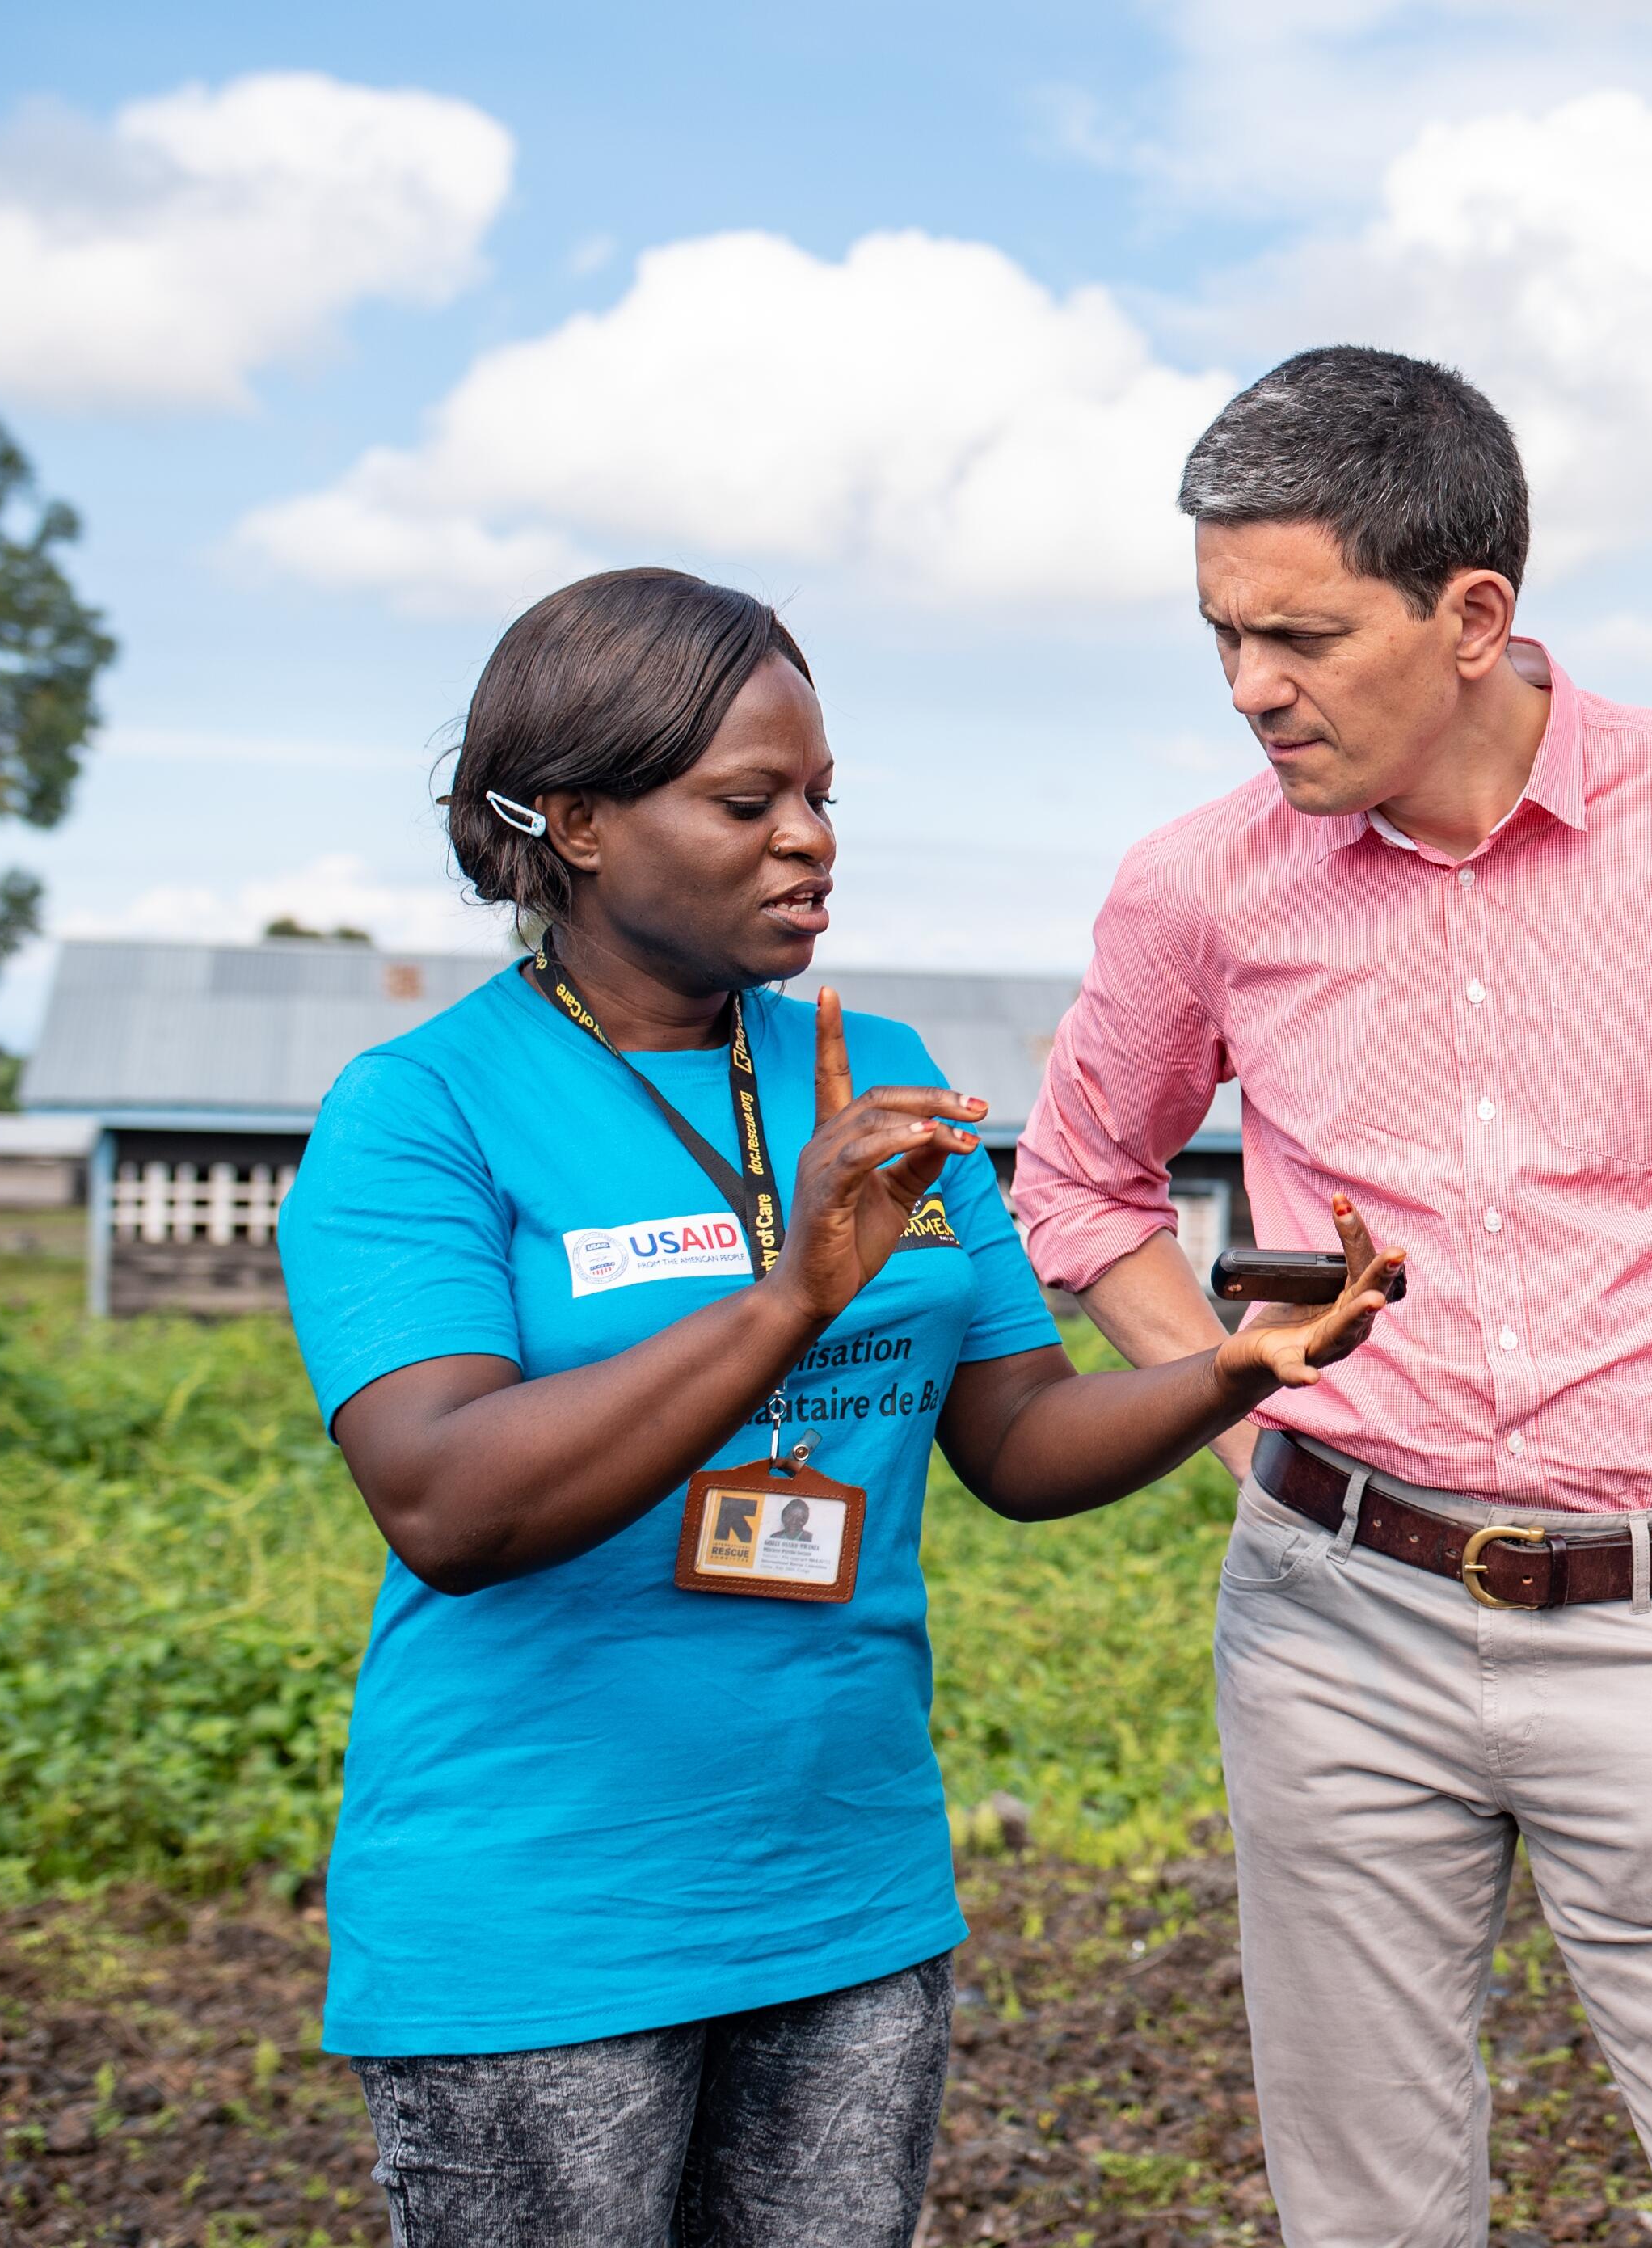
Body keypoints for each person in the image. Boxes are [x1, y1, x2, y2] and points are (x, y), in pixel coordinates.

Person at [276, 567, 1401, 2248]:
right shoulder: (422, 1109)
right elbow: (447, 1502)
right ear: (574, 821)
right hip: (540, 1924)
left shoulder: (865, 1072)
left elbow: (1015, 1437)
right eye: (748, 800)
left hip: (845, 1898)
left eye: (819, 796)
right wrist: (789, 1290)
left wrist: (1228, 1370)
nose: (808, 837)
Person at [1014, 348, 1652, 2247]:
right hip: (1331, 1631)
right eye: (1221, 637)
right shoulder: (1197, 884)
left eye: (1304, 635)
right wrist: (1247, 1399)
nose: (1253, 687)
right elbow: (1078, 1185)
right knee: (1368, 2217)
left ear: (1472, 613)